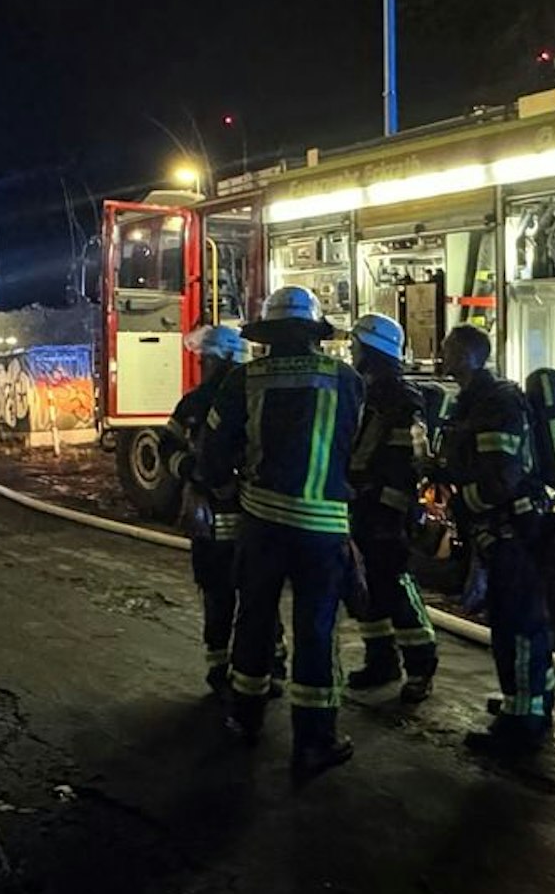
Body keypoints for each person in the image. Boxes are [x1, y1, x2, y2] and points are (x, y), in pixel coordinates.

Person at [197, 286, 363, 774]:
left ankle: (244, 719)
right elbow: (355, 449)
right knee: (316, 630)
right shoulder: (348, 379)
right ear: (314, 333)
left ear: (266, 334)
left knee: (253, 619)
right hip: (324, 526)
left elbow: (212, 451)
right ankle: (313, 741)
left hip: (261, 522)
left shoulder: (243, 380)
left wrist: (224, 488)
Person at [435, 324, 555, 755]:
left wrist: (464, 503)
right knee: (521, 620)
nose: (443, 356)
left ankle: (522, 721)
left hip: (511, 531)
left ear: (469, 356)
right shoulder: (473, 400)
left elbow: (501, 478)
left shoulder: (495, 403)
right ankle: (533, 699)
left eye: (450, 350)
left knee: (516, 625)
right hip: (503, 531)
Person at [161, 324, 260, 696]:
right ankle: (231, 669)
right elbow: (167, 445)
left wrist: (199, 474)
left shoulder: (248, 400)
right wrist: (189, 470)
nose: (203, 366)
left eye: (208, 360)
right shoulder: (196, 403)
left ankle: (254, 669)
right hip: (233, 516)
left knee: (244, 597)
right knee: (237, 596)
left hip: (239, 514)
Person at [344, 314, 438, 702]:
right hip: (361, 504)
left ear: (372, 350)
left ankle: (421, 666)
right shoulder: (363, 391)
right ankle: (380, 661)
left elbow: (410, 462)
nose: (352, 352)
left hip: (386, 510)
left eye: (356, 346)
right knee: (366, 586)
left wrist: (389, 506)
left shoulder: (402, 399)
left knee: (396, 584)